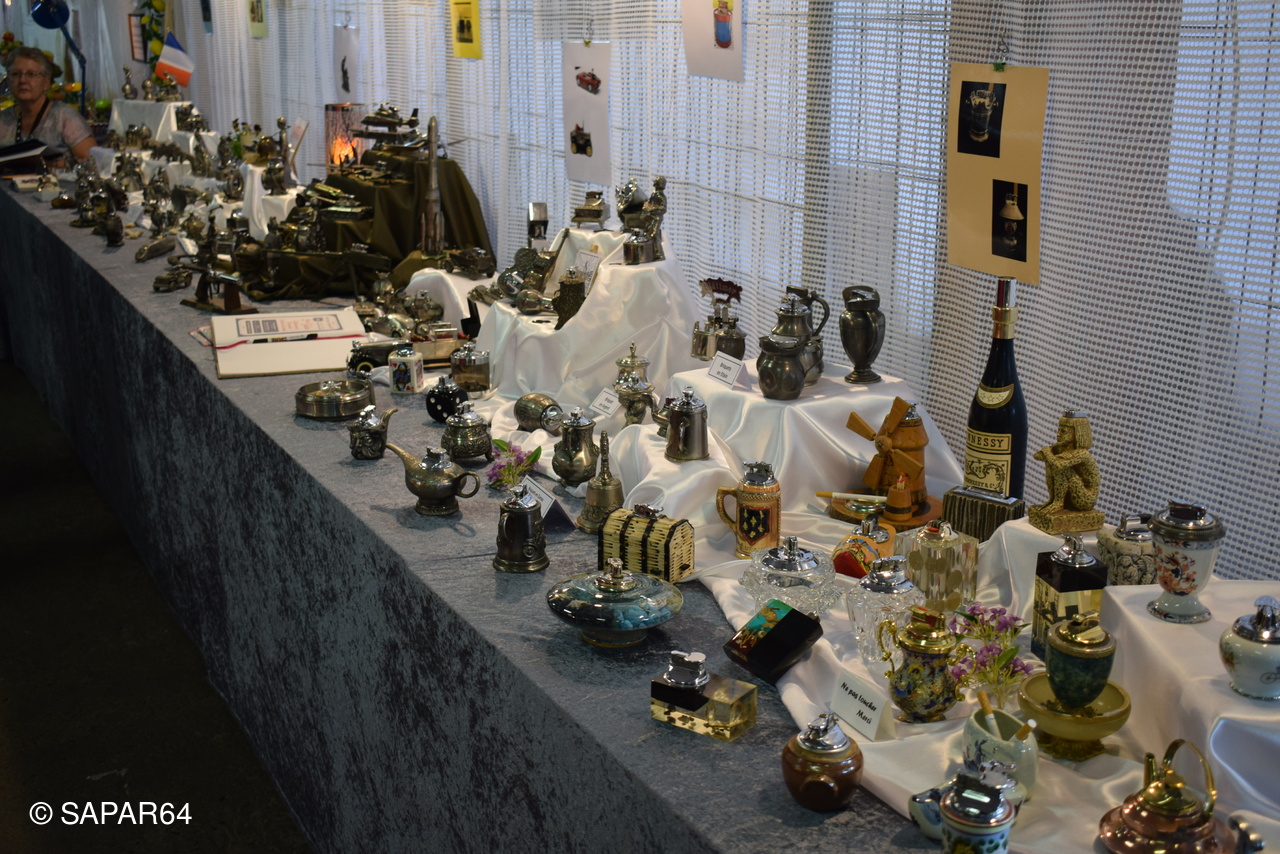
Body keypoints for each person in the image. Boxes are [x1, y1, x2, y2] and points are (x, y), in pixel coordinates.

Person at [0, 46, 93, 165]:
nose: (23, 80)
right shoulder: (3, 120)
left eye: (31, 74)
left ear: (46, 82)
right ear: (8, 81)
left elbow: (92, 161)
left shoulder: (65, 117)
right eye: (16, 74)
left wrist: (56, 165)